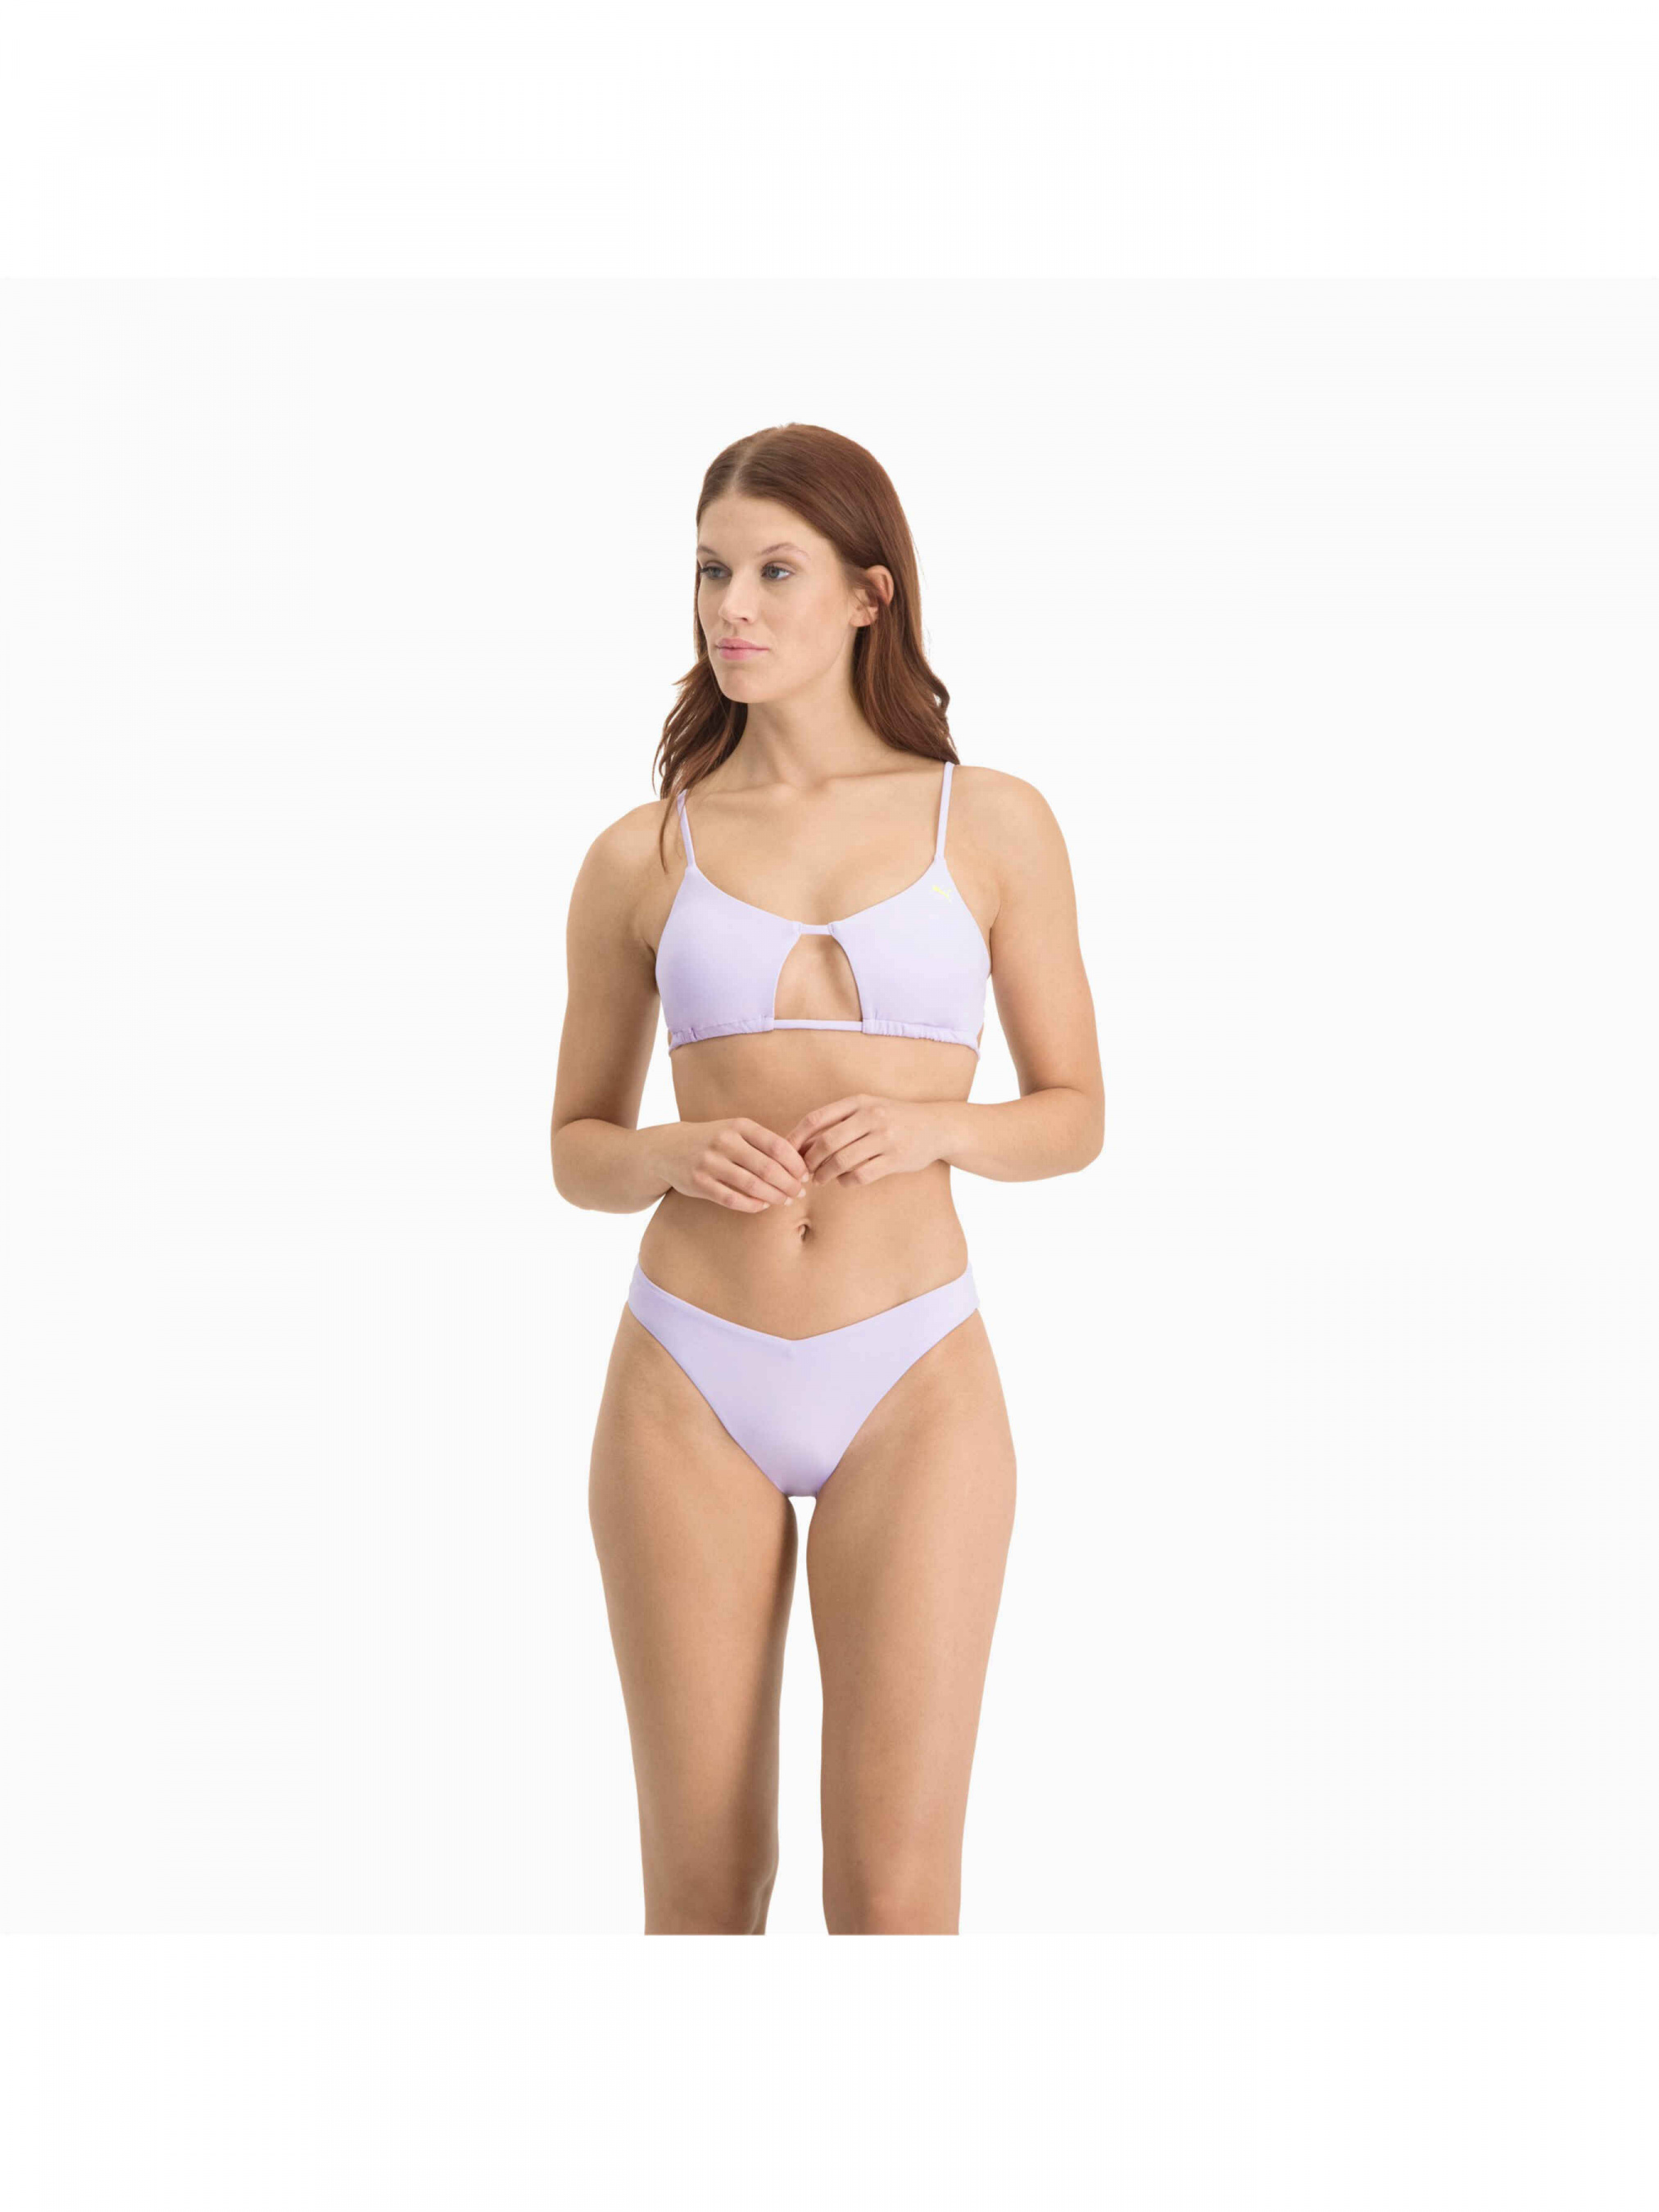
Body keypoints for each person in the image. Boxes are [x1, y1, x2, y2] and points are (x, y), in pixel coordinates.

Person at [550, 424, 1104, 1933]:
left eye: (773, 572)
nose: (730, 606)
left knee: (897, 1897)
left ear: (868, 594)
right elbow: (576, 1148)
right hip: (686, 1373)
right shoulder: (641, 854)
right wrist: (665, 1151)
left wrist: (941, 1129)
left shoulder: (988, 821)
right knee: (700, 1889)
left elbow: (1073, 1116)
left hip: (911, 1372)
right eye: (710, 570)